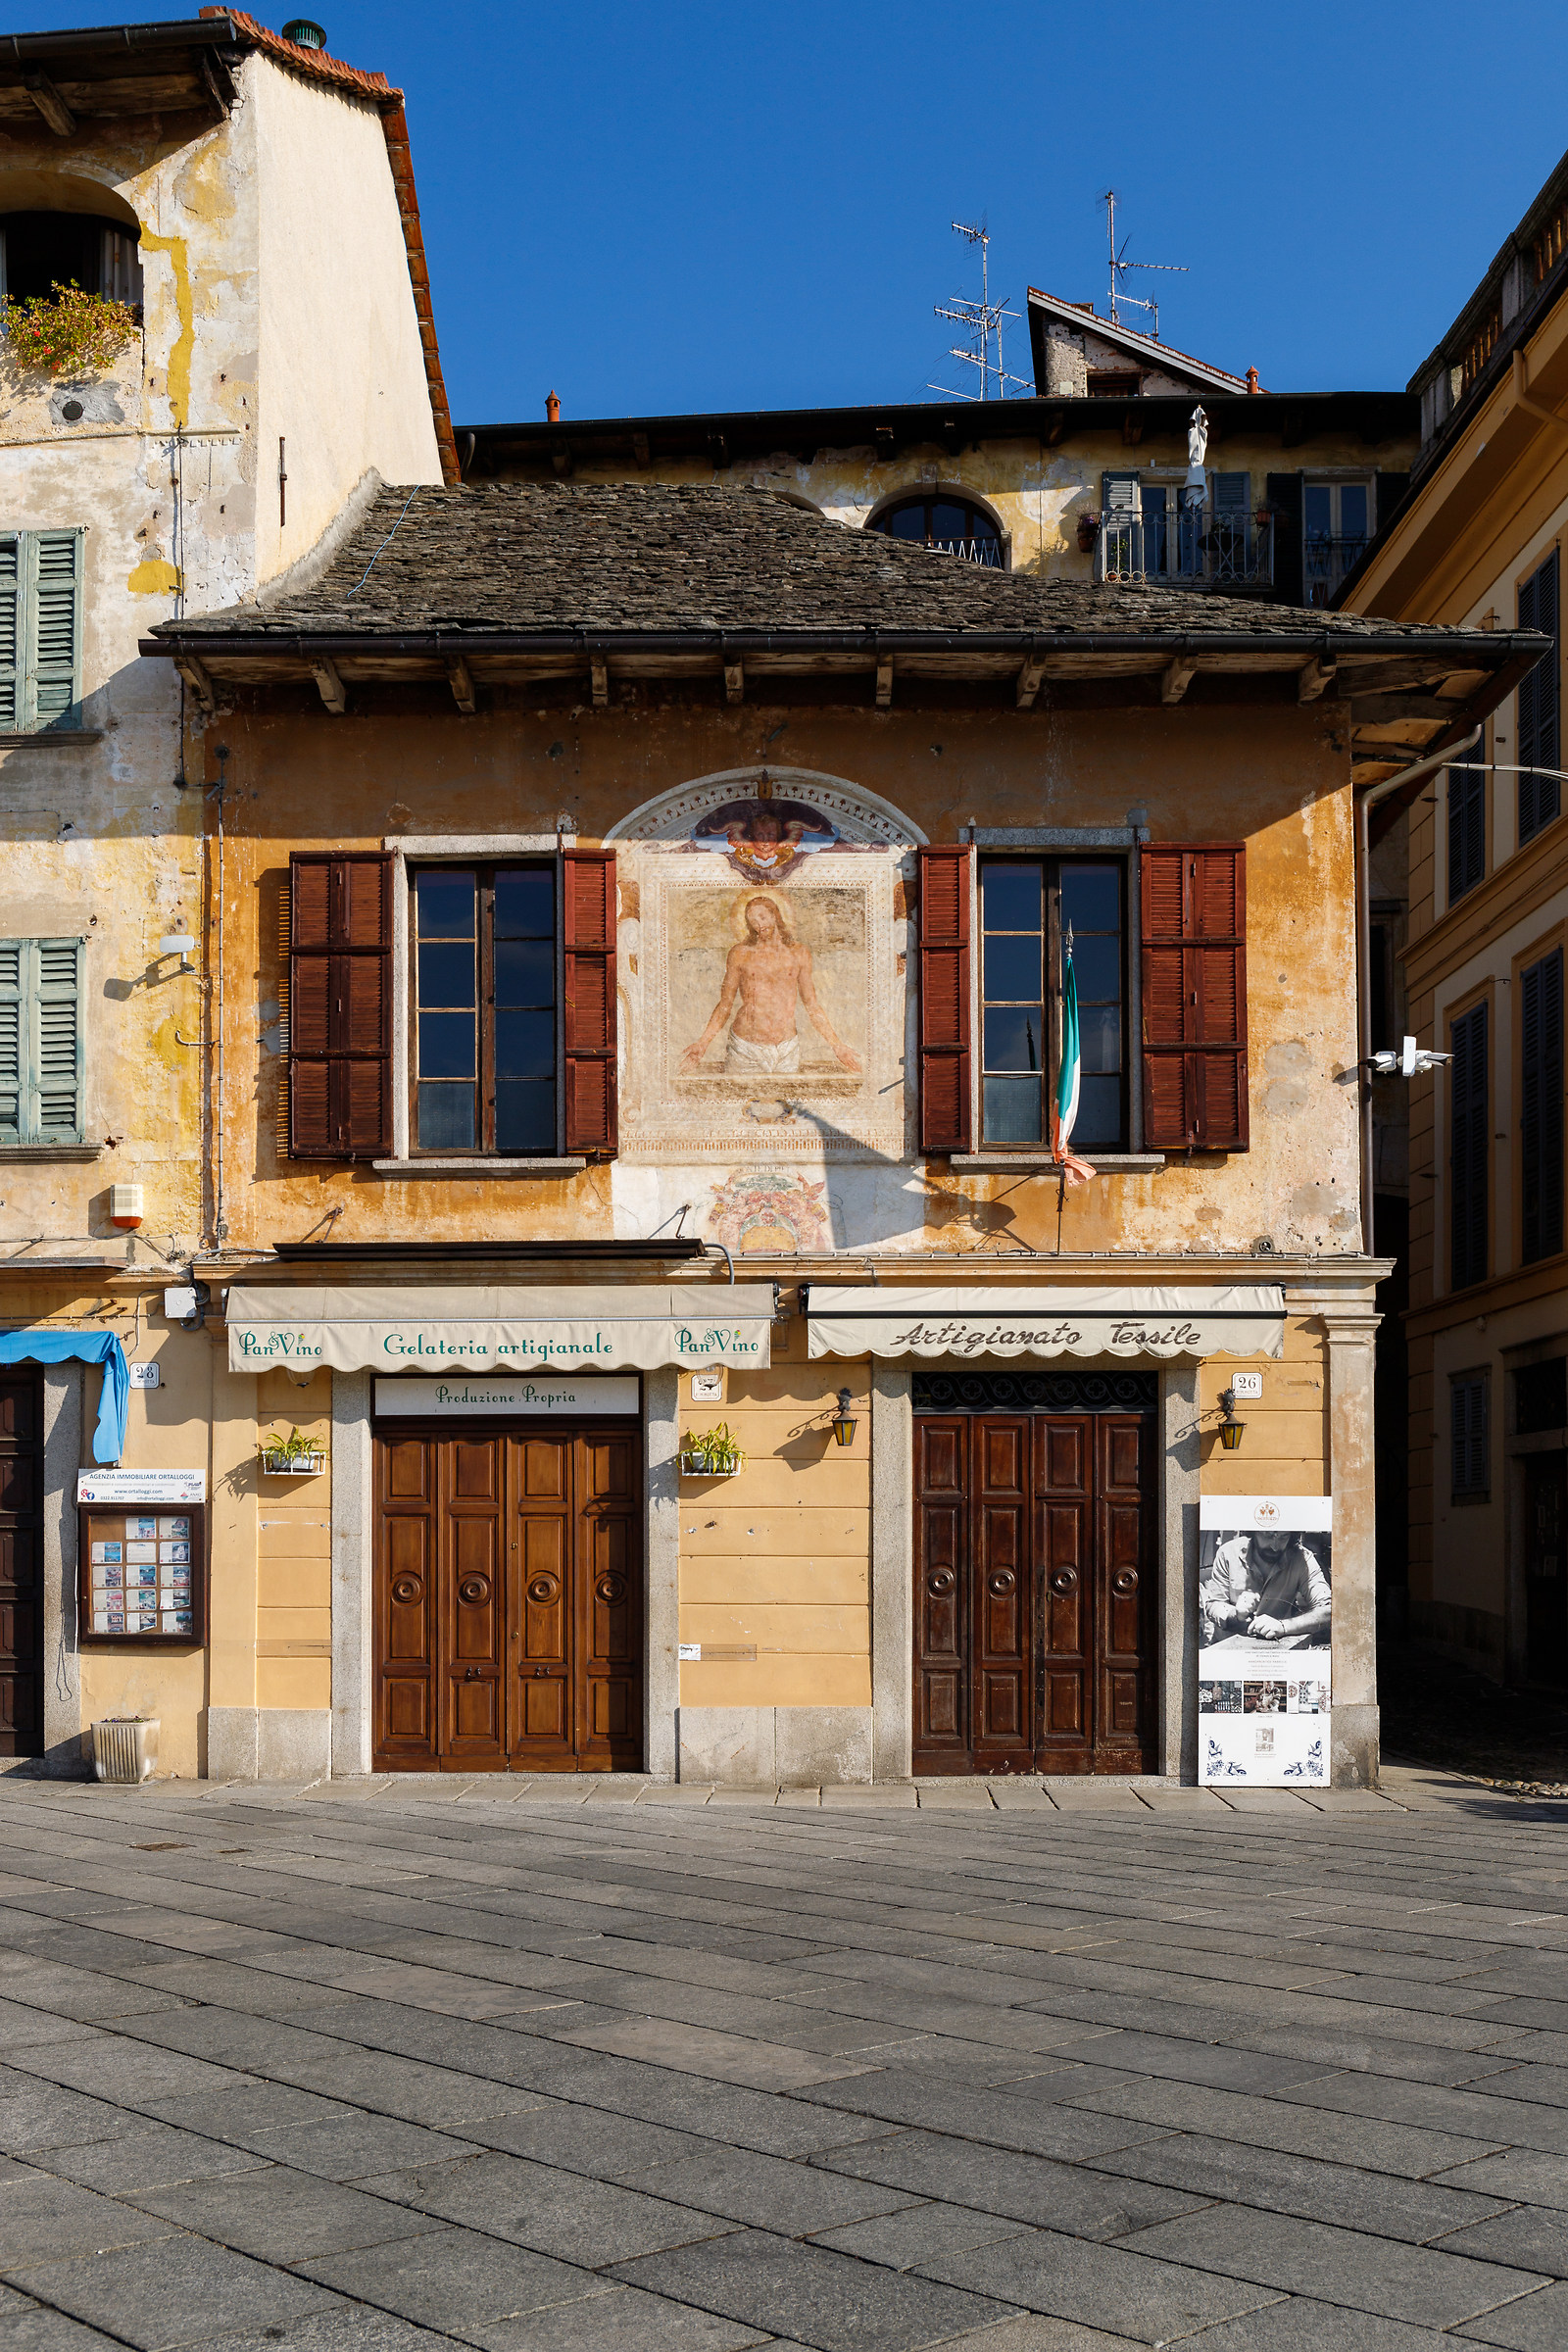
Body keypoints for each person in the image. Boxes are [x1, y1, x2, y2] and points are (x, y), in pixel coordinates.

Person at [680, 896, 860, 1076]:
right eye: (752, 921)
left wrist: (837, 1045)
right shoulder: (740, 953)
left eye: (762, 917)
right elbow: (725, 1005)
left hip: (786, 1048)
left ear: (775, 916)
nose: (758, 924)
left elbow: (812, 1005)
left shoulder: (799, 953)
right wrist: (703, 1043)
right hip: (746, 1047)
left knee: (786, 1103)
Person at [1200, 1526, 1330, 1646]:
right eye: (1267, 1535)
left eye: (1283, 1537)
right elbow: (1213, 1605)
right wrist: (1236, 1615)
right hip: (1227, 1647)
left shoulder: (1302, 1559)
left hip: (1274, 1649)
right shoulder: (1227, 1553)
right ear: (1253, 1531)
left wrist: (1283, 1626)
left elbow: (1328, 1610)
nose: (1274, 1546)